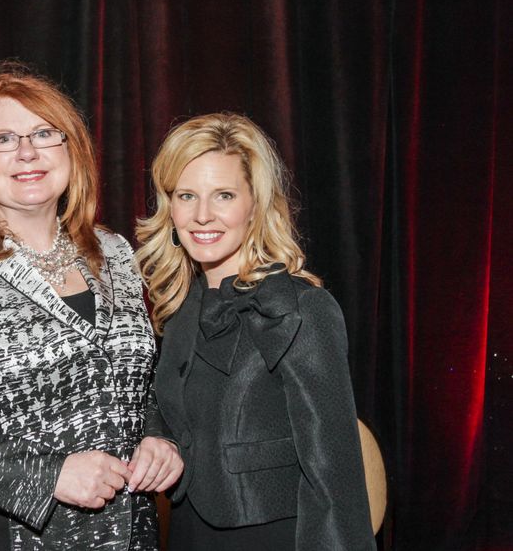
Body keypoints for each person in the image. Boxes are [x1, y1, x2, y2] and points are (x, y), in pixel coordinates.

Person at [0, 62, 182, 550]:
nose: (27, 152)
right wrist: (48, 476)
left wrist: (159, 438)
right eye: (2, 139)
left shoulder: (115, 251)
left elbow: (136, 381)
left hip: (131, 532)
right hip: (7, 536)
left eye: (45, 133)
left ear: (71, 151)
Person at [135, 113, 376, 550]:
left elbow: (334, 471)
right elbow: (165, 405)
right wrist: (156, 436)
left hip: (278, 535)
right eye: (187, 195)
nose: (202, 215)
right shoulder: (179, 307)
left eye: (223, 195)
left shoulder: (299, 308)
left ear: (255, 205)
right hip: (189, 529)